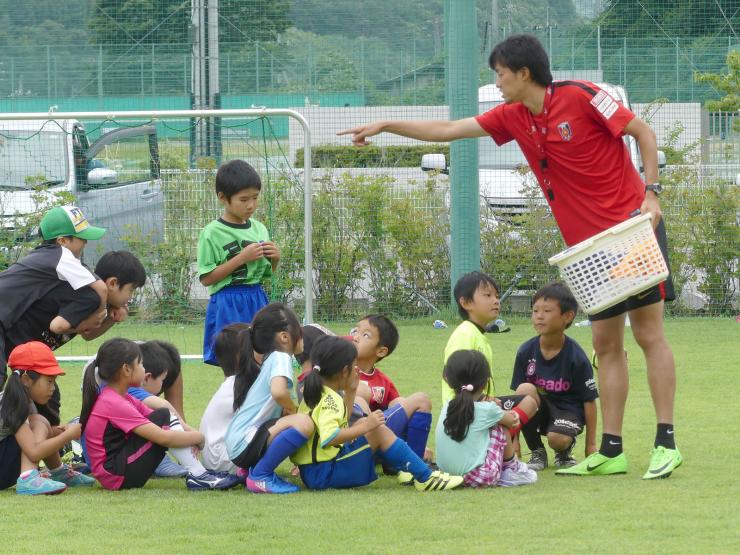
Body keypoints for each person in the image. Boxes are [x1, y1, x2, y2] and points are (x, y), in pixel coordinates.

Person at [339, 33, 680, 479]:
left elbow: (643, 132)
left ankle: (665, 442)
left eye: (500, 74)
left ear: (523, 73)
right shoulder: (514, 117)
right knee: (605, 345)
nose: (497, 82)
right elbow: (448, 130)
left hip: (633, 232)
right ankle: (612, 449)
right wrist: (386, 126)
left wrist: (652, 194)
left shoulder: (581, 96)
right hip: (589, 252)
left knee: (648, 335)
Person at [291, 335, 464, 492]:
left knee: (365, 426)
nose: (356, 370)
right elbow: (330, 437)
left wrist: (351, 392)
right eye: (353, 366)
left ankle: (415, 471)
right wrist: (366, 426)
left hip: (315, 472)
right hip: (325, 474)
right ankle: (425, 477)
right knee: (377, 430)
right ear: (344, 371)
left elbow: (340, 422)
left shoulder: (317, 392)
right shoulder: (330, 400)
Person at [0, 247, 146, 427]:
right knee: (38, 398)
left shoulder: (98, 301)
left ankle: (46, 445)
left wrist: (110, 320)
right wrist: (84, 324)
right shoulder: (89, 296)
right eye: (131, 290)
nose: (130, 298)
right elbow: (59, 326)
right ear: (113, 283)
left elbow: (88, 335)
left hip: (27, 354)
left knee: (48, 399)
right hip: (13, 341)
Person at [80, 337, 239, 491]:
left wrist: (189, 435)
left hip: (116, 472)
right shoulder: (113, 402)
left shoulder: (122, 397)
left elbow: (166, 421)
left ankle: (200, 473)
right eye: (141, 364)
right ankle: (198, 475)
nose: (144, 369)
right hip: (116, 475)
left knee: (163, 415)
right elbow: (163, 437)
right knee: (163, 415)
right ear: (126, 369)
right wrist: (199, 438)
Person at [0, 205, 108, 389]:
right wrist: (99, 313)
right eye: (82, 238)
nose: (86, 243)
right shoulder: (60, 256)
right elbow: (101, 288)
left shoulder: (45, 257)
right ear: (63, 241)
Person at [197, 159, 281, 366]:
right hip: (227, 301)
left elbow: (264, 275)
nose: (251, 205)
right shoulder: (211, 233)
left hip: (257, 296)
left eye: (255, 197)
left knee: (263, 356)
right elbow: (207, 279)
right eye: (243, 199)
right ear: (223, 198)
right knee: (233, 360)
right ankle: (235, 397)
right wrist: (241, 258)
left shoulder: (259, 229)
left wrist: (275, 259)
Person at [224, 303, 313, 494]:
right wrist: (292, 409)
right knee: (304, 423)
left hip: (238, 443)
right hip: (243, 443)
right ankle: (261, 476)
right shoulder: (281, 357)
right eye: (299, 327)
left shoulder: (270, 359)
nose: (302, 333)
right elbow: (279, 392)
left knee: (293, 421)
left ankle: (249, 471)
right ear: (284, 336)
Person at [510, 283, 598, 471]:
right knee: (524, 390)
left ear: (567, 316)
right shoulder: (525, 351)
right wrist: (513, 443)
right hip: (539, 409)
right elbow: (515, 403)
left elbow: (590, 401)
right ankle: (537, 451)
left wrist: (590, 446)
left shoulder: (577, 357)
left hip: (568, 411)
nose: (539, 316)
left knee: (557, 439)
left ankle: (564, 451)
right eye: (535, 310)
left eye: (547, 310)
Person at [0, 341, 96, 495]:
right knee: (39, 421)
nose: (53, 388)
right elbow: (33, 451)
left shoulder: (21, 401)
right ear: (26, 380)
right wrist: (67, 435)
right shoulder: (15, 404)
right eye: (49, 381)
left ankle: (58, 472)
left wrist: (59, 431)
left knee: (41, 422)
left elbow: (36, 435)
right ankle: (27, 479)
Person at [436, 350, 537, 487]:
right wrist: (502, 411)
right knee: (500, 424)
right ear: (485, 382)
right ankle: (512, 469)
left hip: (447, 475)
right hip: (481, 477)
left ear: (447, 379)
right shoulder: (488, 410)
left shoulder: (447, 406)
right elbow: (511, 422)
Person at [351, 314, 433, 461]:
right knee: (358, 398)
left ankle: (413, 458)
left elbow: (400, 409)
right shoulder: (340, 372)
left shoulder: (383, 381)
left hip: (381, 438)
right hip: (353, 441)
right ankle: (409, 458)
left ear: (381, 351)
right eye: (355, 331)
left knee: (405, 400)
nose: (355, 337)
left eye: (365, 335)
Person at [199, 323, 250, 474]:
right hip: (225, 460)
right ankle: (261, 474)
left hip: (218, 458)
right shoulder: (241, 385)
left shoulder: (234, 383)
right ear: (241, 355)